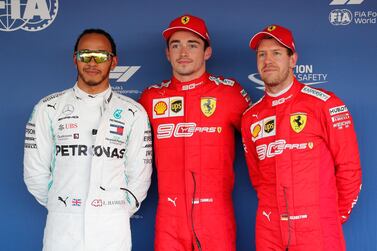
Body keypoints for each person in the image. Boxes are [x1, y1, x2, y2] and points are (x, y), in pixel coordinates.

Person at [23, 28, 152, 251]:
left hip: (112, 229)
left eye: (101, 56)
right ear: (75, 59)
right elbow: (35, 173)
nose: (92, 62)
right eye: (85, 55)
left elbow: (140, 175)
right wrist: (63, 204)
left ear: (113, 62)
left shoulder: (134, 112)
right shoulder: (48, 108)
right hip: (62, 229)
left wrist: (112, 209)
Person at [241, 24, 362, 251]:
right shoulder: (250, 116)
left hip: (317, 229)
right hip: (270, 230)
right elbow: (258, 178)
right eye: (262, 54)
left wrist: (329, 217)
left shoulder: (325, 104)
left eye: (276, 53)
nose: (268, 60)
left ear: (292, 59)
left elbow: (349, 169)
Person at [139, 14, 251, 251]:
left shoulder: (229, 93)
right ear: (167, 54)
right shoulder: (151, 98)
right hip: (169, 216)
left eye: (192, 45)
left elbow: (263, 141)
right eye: (175, 45)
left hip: (215, 216)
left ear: (207, 52)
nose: (183, 53)